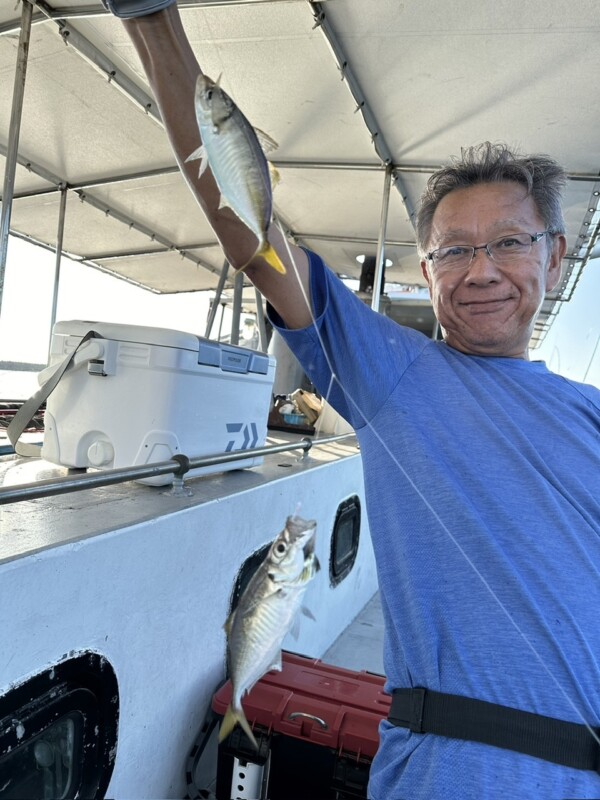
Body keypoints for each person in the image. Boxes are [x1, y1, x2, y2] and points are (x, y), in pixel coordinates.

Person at [104, 3, 600, 798]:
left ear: (556, 252)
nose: (481, 272)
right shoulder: (398, 374)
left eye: (508, 242)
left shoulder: (592, 417)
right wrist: (152, 22)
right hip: (454, 771)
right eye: (454, 251)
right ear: (428, 269)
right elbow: (254, 238)